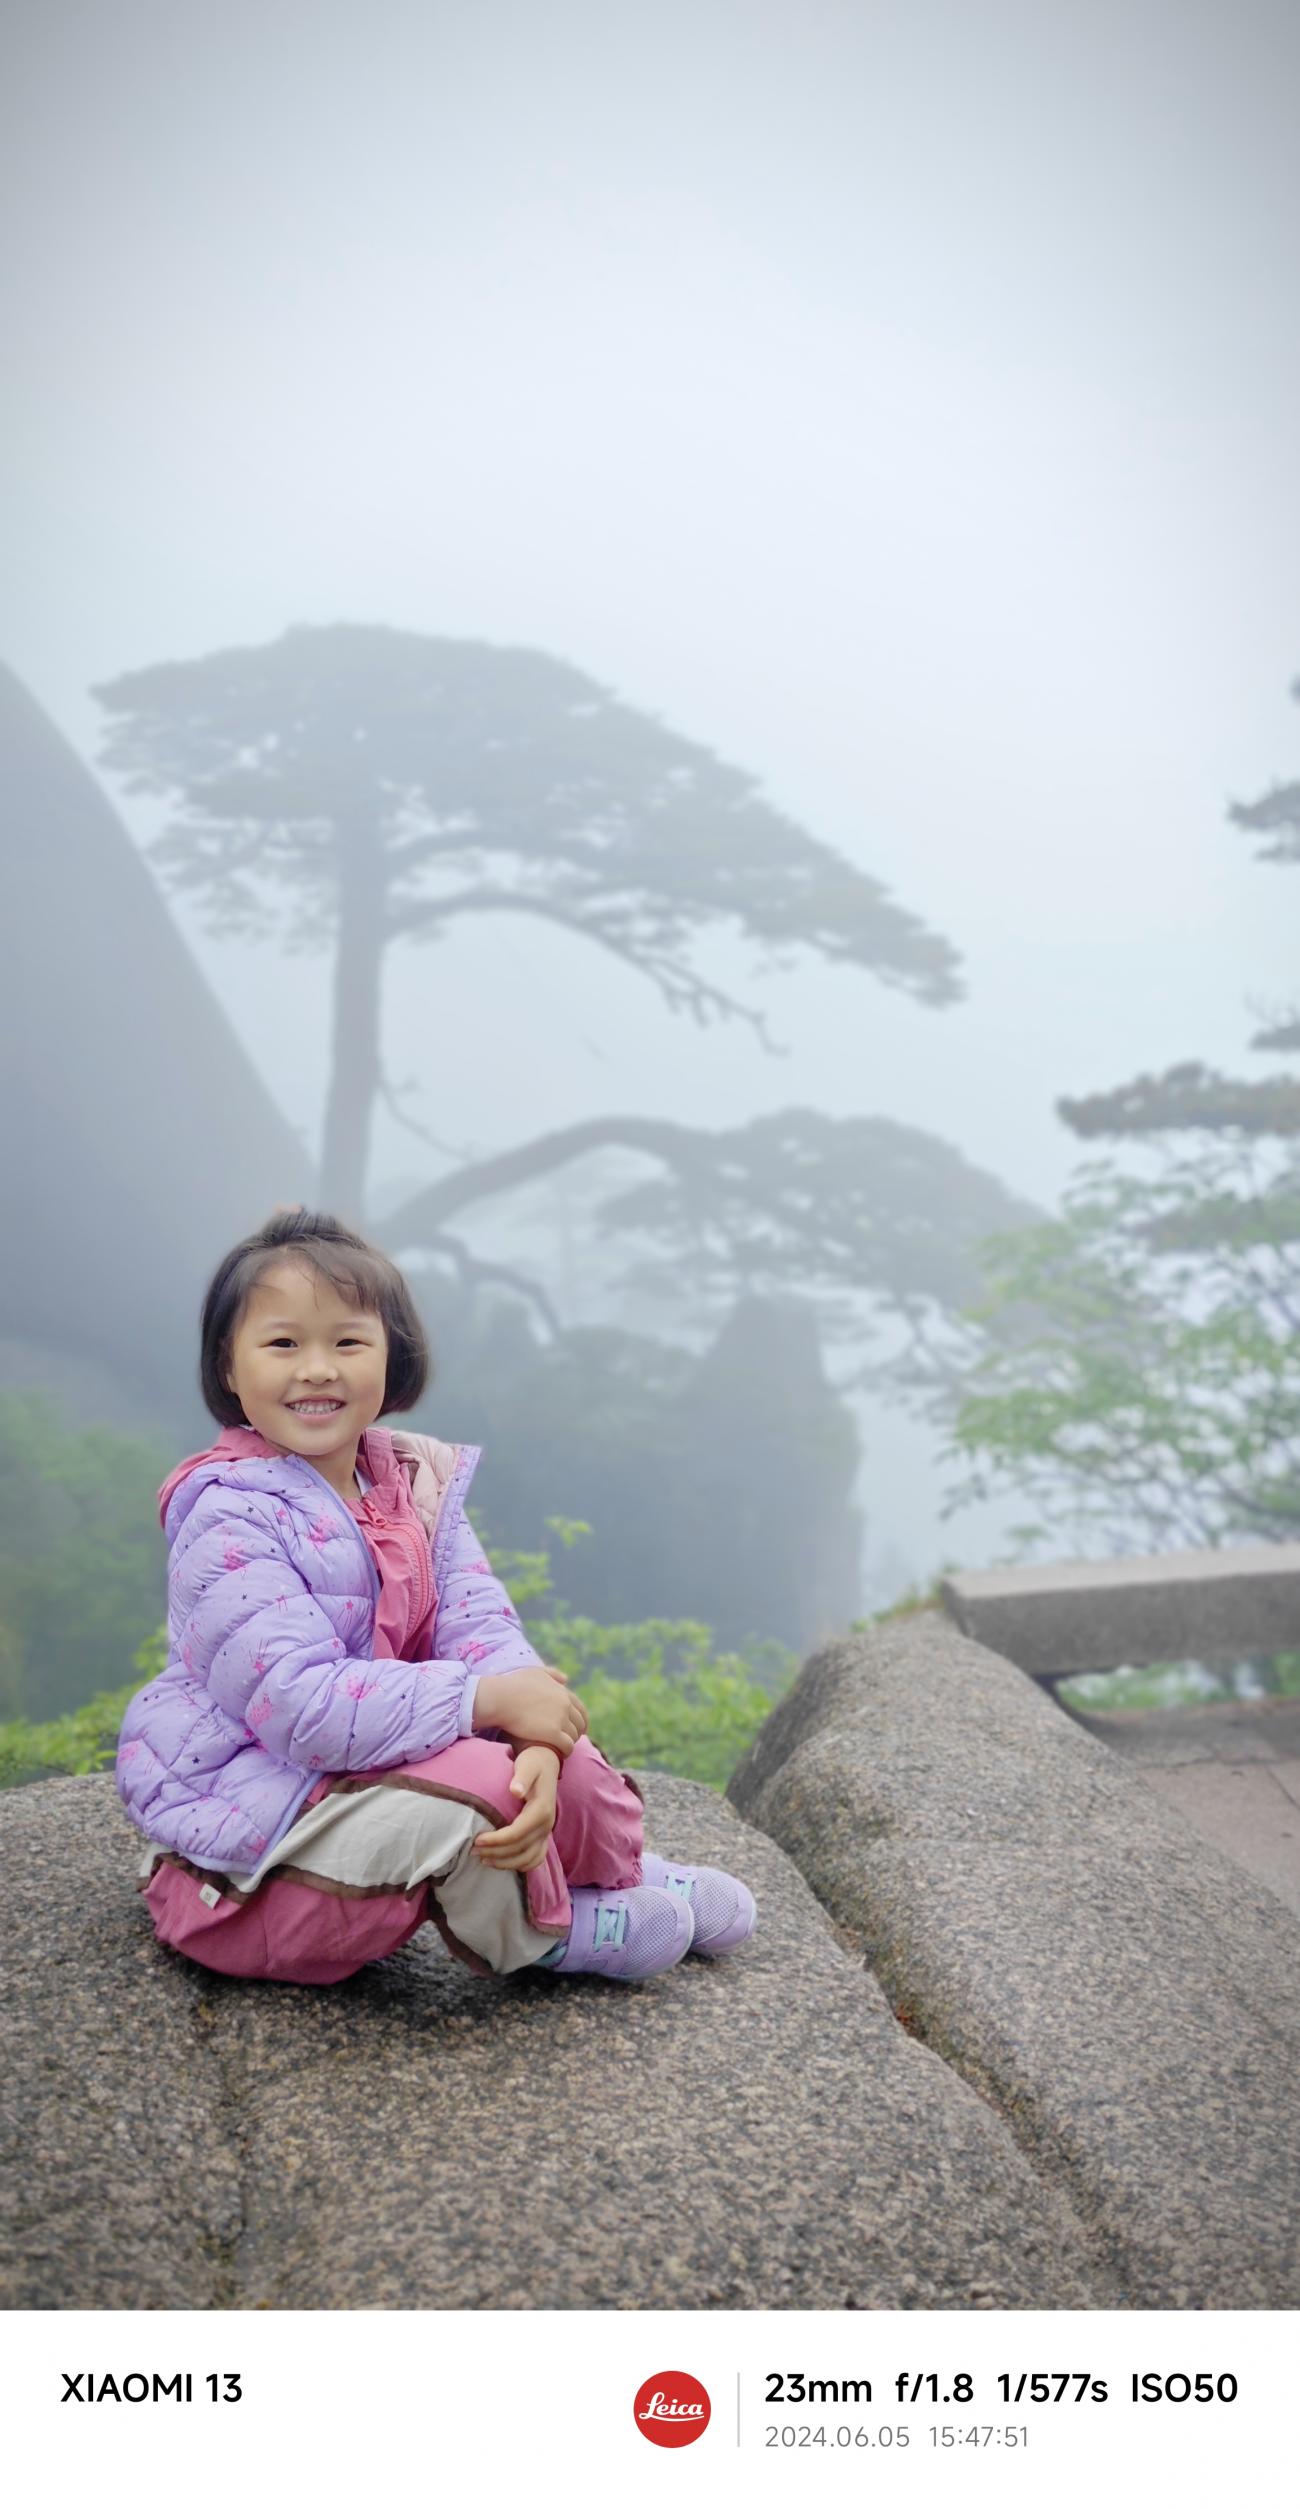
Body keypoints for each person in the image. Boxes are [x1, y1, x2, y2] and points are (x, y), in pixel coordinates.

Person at [116, 1205, 757, 1988]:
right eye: (283, 1343)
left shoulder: (408, 1484)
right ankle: (543, 1931)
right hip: (251, 1852)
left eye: (347, 1342)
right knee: (482, 1791)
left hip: (365, 1770)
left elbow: (479, 1624)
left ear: (392, 1355)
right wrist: (485, 1702)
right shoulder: (227, 1514)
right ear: (228, 1366)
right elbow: (299, 1706)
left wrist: (533, 1733)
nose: (316, 1369)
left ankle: (609, 1874)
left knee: (567, 1763)